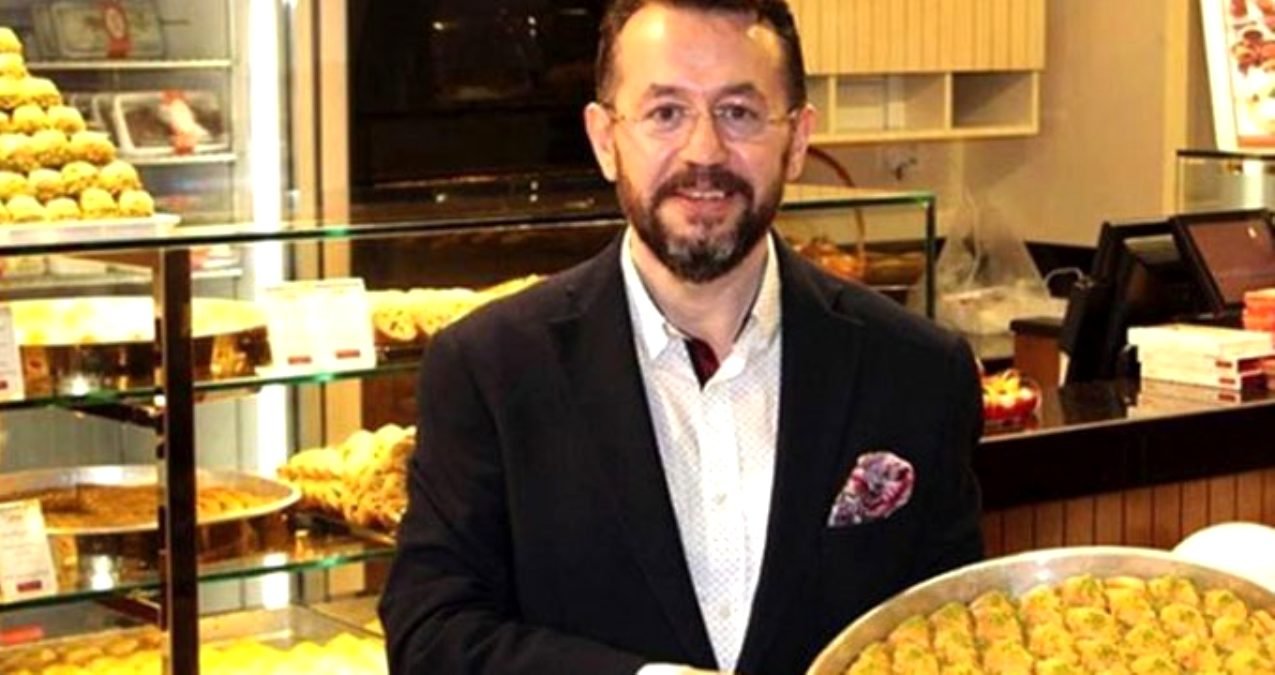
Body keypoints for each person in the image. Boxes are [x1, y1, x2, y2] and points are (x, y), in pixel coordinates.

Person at [379, 1, 984, 673]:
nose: (704, 152)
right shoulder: (488, 369)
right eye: (665, 112)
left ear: (796, 140)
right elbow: (433, 634)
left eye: (739, 112)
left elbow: (955, 635)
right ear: (605, 139)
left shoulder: (919, 371)